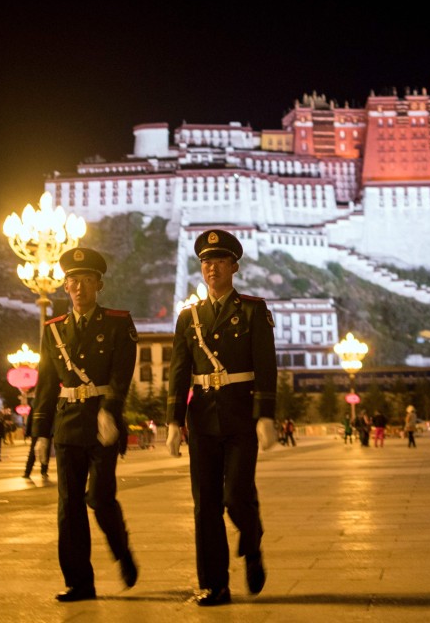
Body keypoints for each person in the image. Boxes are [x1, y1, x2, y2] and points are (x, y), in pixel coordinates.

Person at [165, 229, 278, 607]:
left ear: (234, 266)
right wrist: (172, 421)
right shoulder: (188, 317)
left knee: (235, 496)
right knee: (206, 504)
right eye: (205, 262)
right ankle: (214, 584)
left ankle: (253, 538)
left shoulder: (252, 310)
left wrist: (266, 415)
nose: (211, 268)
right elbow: (179, 373)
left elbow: (266, 366)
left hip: (242, 414)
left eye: (219, 261)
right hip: (202, 420)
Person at [32, 247, 139, 602]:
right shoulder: (54, 330)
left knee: (100, 497)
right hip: (67, 425)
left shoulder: (118, 322)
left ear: (99, 285)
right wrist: (40, 433)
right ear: (65, 286)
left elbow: (121, 375)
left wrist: (111, 411)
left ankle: (121, 550)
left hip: (101, 424)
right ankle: (79, 582)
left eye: (87, 281)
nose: (79, 287)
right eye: (73, 281)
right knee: (69, 507)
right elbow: (46, 384)